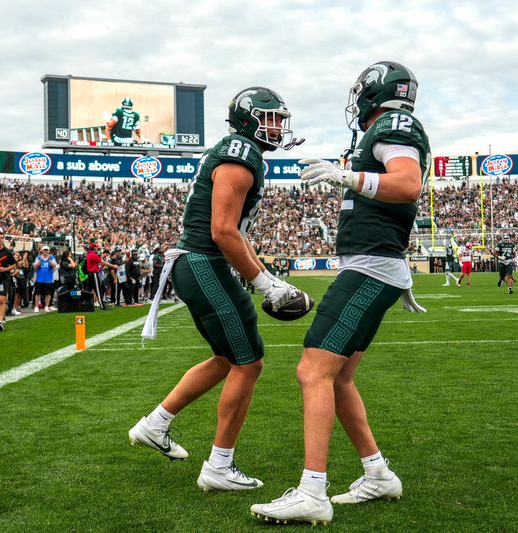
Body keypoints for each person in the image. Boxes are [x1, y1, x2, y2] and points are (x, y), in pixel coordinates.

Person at [251, 61, 430, 525]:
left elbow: (408, 184)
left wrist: (347, 177)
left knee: (313, 370)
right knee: (340, 376)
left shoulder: (394, 124)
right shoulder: (383, 129)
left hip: (372, 266)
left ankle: (313, 489)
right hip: (373, 264)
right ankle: (378, 474)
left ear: (374, 92)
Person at [129, 86, 301, 493]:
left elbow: (236, 234)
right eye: (270, 118)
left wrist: (267, 276)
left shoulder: (238, 151)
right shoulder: (241, 156)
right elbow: (223, 231)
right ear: (248, 119)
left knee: (227, 358)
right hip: (205, 262)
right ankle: (219, 465)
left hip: (198, 263)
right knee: (249, 363)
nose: (277, 127)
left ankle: (155, 425)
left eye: (279, 119)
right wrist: (262, 284)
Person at [33, 245, 57, 312]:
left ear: (49, 251)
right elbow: (35, 267)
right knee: (38, 293)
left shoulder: (51, 257)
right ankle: (36, 306)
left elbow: (54, 266)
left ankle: (46, 306)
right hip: (39, 279)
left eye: (47, 250)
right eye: (44, 250)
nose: (45, 251)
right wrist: (40, 261)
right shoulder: (38, 257)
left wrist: (49, 261)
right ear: (42, 251)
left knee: (48, 294)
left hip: (48, 279)